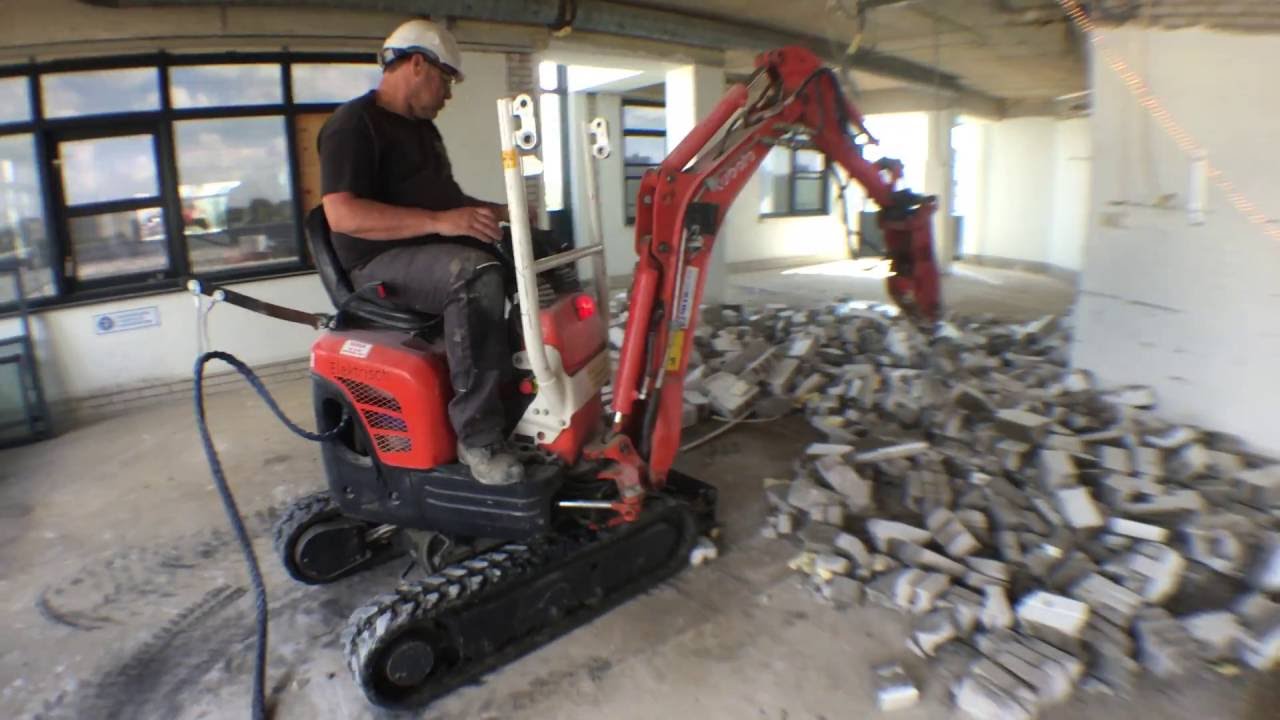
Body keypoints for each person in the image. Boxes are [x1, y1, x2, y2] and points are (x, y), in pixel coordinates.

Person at [318, 18, 525, 486]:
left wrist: (504, 211)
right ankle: (479, 438)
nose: (448, 95)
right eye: (447, 80)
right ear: (417, 65)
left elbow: (447, 203)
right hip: (375, 264)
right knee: (475, 273)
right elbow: (343, 215)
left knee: (530, 257)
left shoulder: (422, 132)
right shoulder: (353, 126)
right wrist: (441, 223)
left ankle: (523, 393)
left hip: (427, 248)